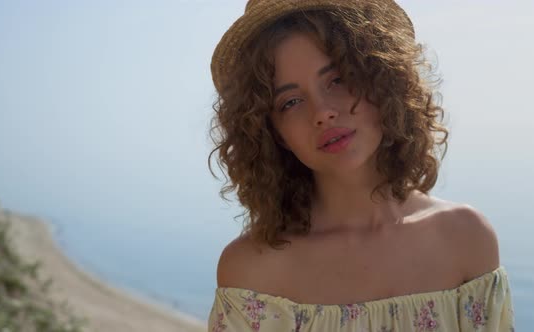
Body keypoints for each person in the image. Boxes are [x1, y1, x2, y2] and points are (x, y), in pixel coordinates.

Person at [206, 1, 515, 331]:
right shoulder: (252, 273)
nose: (322, 112)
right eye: (290, 101)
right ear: (274, 133)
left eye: (337, 79)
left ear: (382, 81)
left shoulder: (466, 239)